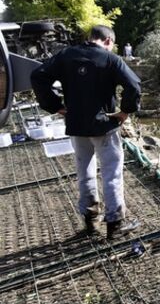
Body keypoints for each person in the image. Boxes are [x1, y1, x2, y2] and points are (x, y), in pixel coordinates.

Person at [31, 25, 141, 239]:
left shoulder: (66, 55)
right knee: (111, 173)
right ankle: (115, 224)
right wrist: (125, 111)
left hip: (76, 125)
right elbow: (134, 85)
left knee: (85, 172)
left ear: (91, 38)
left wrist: (56, 106)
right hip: (104, 125)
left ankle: (91, 221)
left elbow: (38, 76)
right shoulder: (111, 59)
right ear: (108, 41)